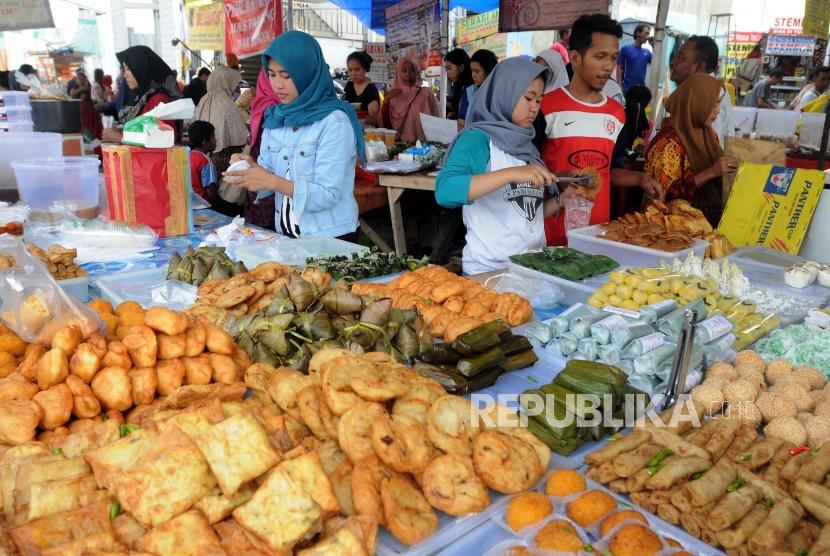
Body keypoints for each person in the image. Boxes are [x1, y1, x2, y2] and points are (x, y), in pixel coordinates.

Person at [224, 31, 365, 241]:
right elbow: (270, 173)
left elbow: (327, 195)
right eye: (271, 74)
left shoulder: (334, 122)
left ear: (307, 72)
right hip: (287, 236)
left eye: (286, 75)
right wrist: (249, 170)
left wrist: (271, 181)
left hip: (332, 238)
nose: (277, 85)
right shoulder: (275, 118)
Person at [541, 14, 660, 246]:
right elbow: (528, 172)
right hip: (550, 238)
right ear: (575, 58)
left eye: (614, 58)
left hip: (597, 237)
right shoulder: (544, 107)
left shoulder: (616, 113)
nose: (608, 66)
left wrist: (640, 179)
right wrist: (561, 177)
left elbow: (611, 171)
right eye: (600, 56)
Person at [436, 57, 560, 274]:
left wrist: (562, 200)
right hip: (488, 272)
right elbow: (445, 191)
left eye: (539, 101)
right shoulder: (477, 139)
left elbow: (524, 217)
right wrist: (512, 174)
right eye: (528, 98)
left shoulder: (524, 144)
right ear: (505, 93)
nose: (534, 108)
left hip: (531, 269)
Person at [645, 74, 737, 225]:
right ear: (696, 104)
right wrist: (710, 173)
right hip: (672, 228)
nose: (718, 111)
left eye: (719, 104)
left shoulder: (708, 135)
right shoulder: (667, 143)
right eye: (713, 104)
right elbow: (664, 196)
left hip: (705, 225)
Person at [194, 64, 249, 216]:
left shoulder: (203, 99)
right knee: (228, 199)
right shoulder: (227, 103)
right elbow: (241, 136)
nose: (236, 87)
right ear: (226, 81)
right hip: (227, 160)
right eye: (234, 82)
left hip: (207, 156)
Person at [101, 45, 181, 143]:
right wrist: (123, 132)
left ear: (140, 68)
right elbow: (146, 131)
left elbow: (166, 139)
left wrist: (121, 138)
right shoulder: (141, 99)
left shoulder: (159, 99)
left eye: (128, 69)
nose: (124, 75)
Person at [668, 35, 734, 147]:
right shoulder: (699, 92)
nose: (673, 62)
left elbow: (710, 148)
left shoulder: (709, 95)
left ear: (700, 68)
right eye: (675, 57)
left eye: (681, 58)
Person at [243, 68, 279, 230]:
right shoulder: (275, 110)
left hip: (257, 162)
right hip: (267, 166)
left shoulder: (259, 103)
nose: (279, 83)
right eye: (273, 76)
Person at [387, 57, 439, 142]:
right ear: (398, 73)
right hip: (399, 145)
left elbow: (436, 119)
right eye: (404, 71)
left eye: (412, 70)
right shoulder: (393, 95)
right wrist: (386, 102)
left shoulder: (426, 93)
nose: (408, 74)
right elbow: (384, 124)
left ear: (417, 72)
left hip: (424, 146)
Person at [532, 49, 569, 151]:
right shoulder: (531, 91)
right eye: (538, 66)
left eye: (547, 68)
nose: (542, 71)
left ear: (556, 70)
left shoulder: (567, 98)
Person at [458, 49, 498, 126]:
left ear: (489, 71)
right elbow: (461, 121)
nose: (473, 75)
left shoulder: (499, 92)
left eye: (477, 71)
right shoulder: (469, 92)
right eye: (472, 71)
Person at [344, 51, 381, 127]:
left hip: (367, 132)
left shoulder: (370, 89)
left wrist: (357, 115)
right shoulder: (349, 86)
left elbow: (373, 120)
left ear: (365, 69)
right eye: (350, 70)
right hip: (350, 129)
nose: (353, 73)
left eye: (357, 70)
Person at [188, 120, 219, 204]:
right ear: (205, 143)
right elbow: (211, 192)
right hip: (203, 204)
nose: (216, 140)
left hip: (189, 203)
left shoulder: (187, 155)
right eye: (213, 137)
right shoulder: (205, 160)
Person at [617, 24, 652, 93]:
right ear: (638, 33)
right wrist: (619, 85)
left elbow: (655, 64)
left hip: (641, 89)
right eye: (646, 33)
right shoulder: (626, 49)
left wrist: (653, 45)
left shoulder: (647, 52)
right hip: (627, 89)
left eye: (648, 34)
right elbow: (619, 68)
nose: (648, 37)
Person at [444, 49, 474, 120]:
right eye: (446, 69)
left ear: (461, 67)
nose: (447, 72)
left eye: (450, 68)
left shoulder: (472, 88)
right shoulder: (458, 86)